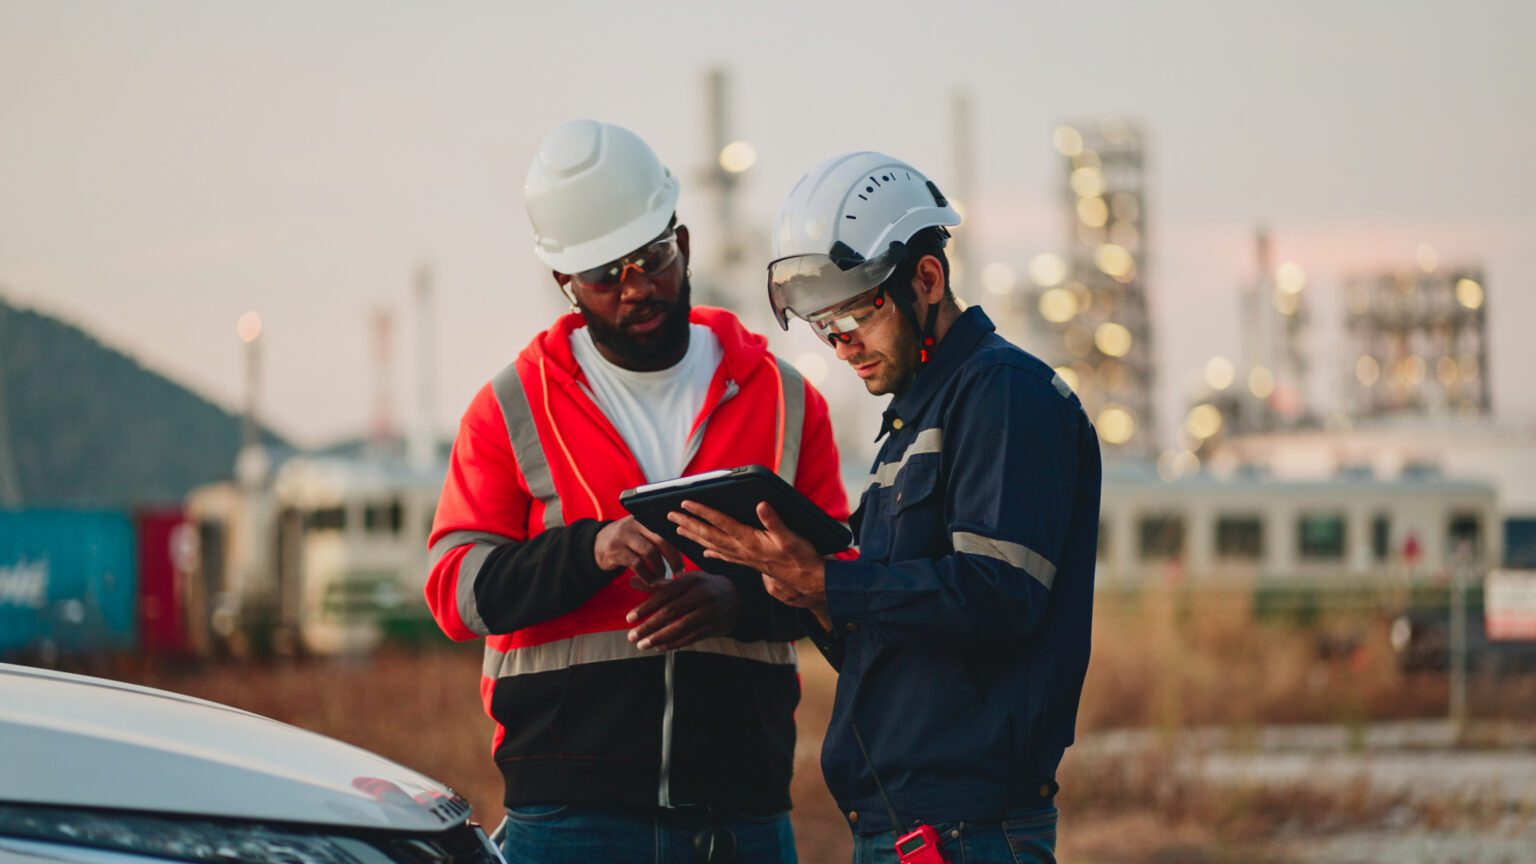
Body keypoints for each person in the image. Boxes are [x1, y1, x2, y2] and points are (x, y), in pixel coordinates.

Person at [424, 120, 851, 864]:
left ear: (682, 244)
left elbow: (841, 590)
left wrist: (736, 601)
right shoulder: (512, 407)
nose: (637, 288)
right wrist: (588, 550)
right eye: (605, 275)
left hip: (739, 815)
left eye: (652, 259)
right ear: (566, 284)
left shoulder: (784, 401)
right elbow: (454, 592)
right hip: (567, 820)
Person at [670, 151, 1101, 864]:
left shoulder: (1003, 396)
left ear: (926, 279)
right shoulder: (908, 425)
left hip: (972, 832)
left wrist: (829, 582)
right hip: (905, 828)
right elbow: (893, 636)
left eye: (852, 317)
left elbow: (1001, 597)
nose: (841, 347)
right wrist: (796, 588)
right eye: (823, 328)